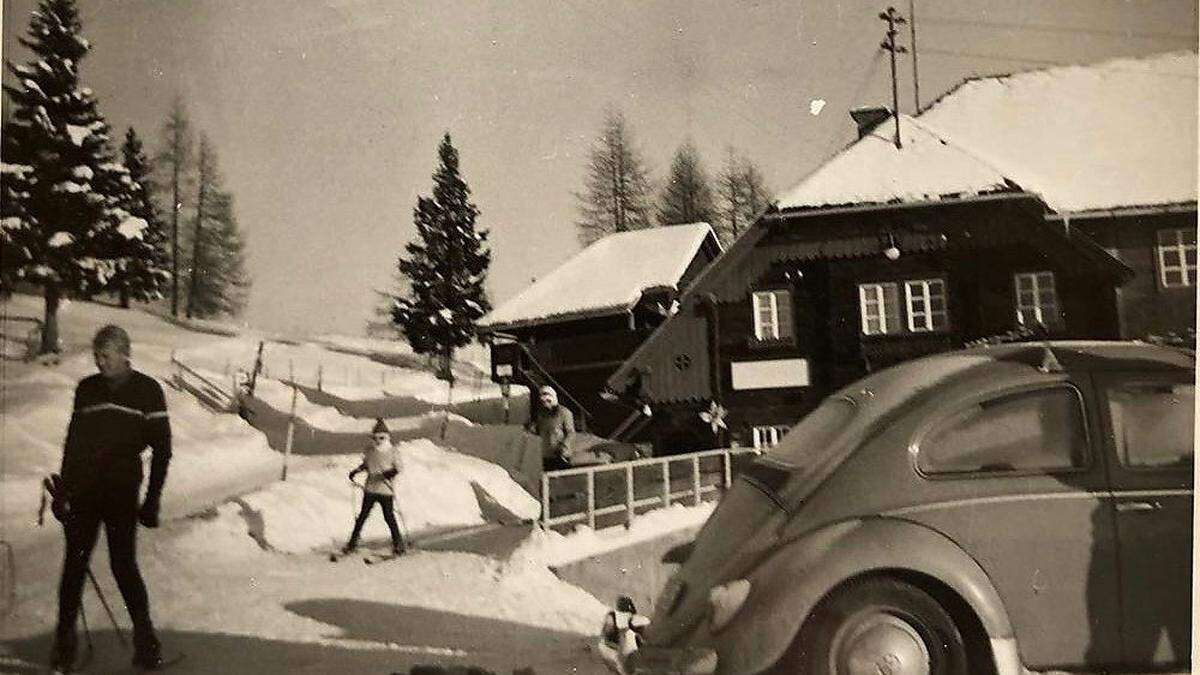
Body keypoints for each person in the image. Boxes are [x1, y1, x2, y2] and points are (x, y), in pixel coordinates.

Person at [48, 325, 172, 672]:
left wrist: (152, 500)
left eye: (107, 356)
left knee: (123, 566)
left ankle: (146, 644)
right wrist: (64, 490)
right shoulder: (87, 390)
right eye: (96, 356)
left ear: (124, 354)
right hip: (85, 490)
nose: (100, 363)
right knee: (74, 565)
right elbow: (73, 443)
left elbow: (163, 450)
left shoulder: (148, 390)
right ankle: (64, 646)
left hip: (121, 490)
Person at [343, 419, 405, 555]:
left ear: (387, 437)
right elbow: (366, 464)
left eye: (381, 438)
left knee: (389, 517)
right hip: (370, 489)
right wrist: (356, 471)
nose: (378, 441)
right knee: (362, 516)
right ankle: (352, 543)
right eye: (375, 438)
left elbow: (399, 468)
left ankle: (398, 544)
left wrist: (387, 474)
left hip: (385, 490)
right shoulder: (370, 451)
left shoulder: (393, 451)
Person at [531, 385, 575, 470]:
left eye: (548, 401)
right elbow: (537, 431)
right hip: (546, 455)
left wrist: (564, 446)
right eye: (543, 402)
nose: (546, 404)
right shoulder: (540, 415)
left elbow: (570, 432)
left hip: (561, 455)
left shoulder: (564, 412)